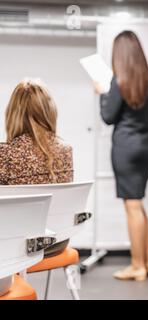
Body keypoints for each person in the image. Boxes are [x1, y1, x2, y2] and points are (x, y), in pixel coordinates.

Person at [95, 31, 148, 281]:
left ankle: (137, 267)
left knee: (132, 205)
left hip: (125, 147)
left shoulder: (117, 81)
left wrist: (103, 93)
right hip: (147, 146)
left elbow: (108, 117)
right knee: (138, 203)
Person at [0, 78, 73, 295]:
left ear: (12, 114)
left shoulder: (5, 154)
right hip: (57, 242)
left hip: (15, 249)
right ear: (50, 112)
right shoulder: (65, 151)